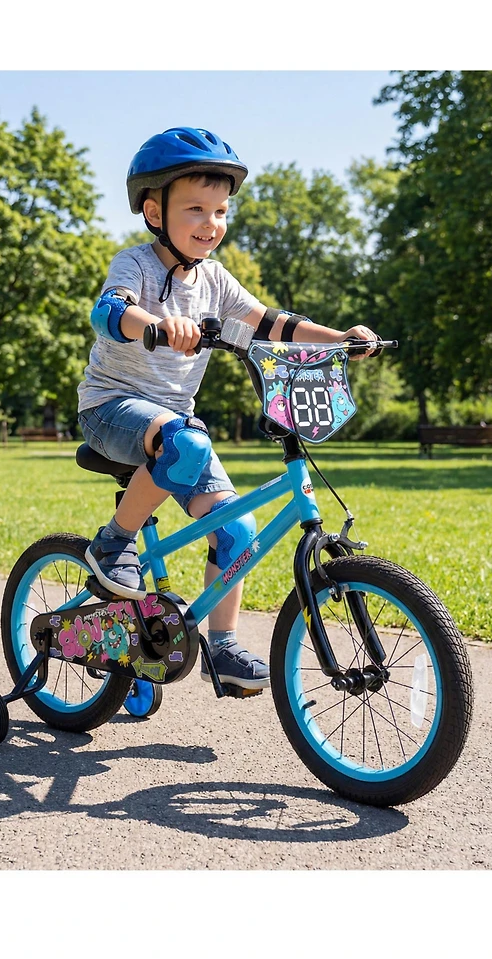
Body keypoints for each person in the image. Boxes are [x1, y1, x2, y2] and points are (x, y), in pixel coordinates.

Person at [77, 126, 379, 690]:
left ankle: (222, 647)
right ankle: (111, 544)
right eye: (195, 208)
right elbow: (108, 311)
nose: (210, 223)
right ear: (152, 210)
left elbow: (270, 322)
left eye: (220, 211)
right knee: (186, 442)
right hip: (111, 408)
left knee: (238, 527)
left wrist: (338, 337)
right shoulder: (136, 265)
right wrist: (158, 325)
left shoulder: (214, 279)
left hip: (174, 424)